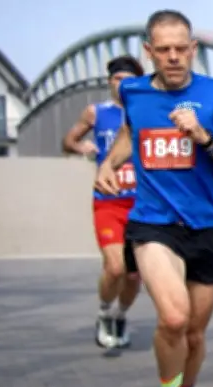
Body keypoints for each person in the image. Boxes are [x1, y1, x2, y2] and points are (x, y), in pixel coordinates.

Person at [93, 9, 213, 387]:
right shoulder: (134, 91)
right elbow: (130, 131)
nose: (174, 57)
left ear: (193, 49)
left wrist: (204, 137)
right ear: (149, 52)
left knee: (195, 336)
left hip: (206, 227)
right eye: (163, 50)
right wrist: (110, 161)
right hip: (153, 222)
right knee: (174, 316)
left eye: (182, 48)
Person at [62, 55, 145, 348]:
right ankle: (104, 312)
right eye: (117, 79)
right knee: (115, 267)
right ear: (110, 82)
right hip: (109, 201)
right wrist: (77, 145)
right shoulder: (96, 113)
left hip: (142, 205)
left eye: (129, 80)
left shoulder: (148, 112)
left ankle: (120, 315)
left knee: (135, 277)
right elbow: (67, 141)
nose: (123, 84)